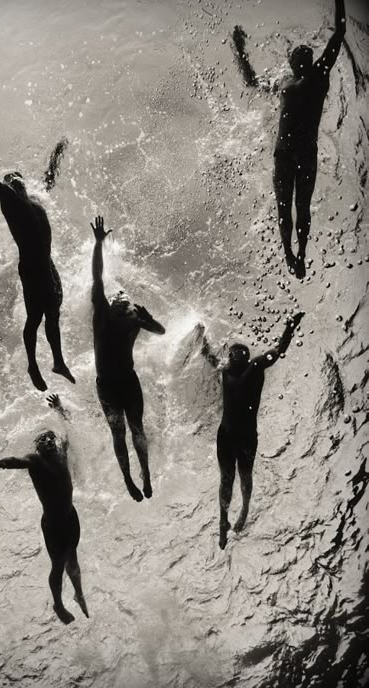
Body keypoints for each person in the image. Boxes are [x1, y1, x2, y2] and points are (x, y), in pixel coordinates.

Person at [0, 118, 74, 391]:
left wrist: (58, 151)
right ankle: (33, 364)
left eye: (17, 178)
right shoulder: (10, 202)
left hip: (47, 265)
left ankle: (57, 361)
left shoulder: (35, 199)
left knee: (54, 312)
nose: (15, 182)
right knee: (35, 318)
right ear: (8, 187)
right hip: (33, 268)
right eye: (10, 181)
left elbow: (49, 177)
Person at [0, 399, 88, 625]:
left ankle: (79, 593)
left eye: (50, 438)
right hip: (53, 526)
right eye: (42, 439)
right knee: (58, 565)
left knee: (72, 557)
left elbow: (69, 429)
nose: (47, 440)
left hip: (70, 518)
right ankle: (58, 603)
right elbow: (16, 461)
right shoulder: (35, 461)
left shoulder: (62, 454)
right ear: (37, 447)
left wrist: (59, 409)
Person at [90, 216, 165, 502]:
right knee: (118, 434)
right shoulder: (102, 313)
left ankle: (145, 473)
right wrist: (98, 243)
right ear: (111, 301)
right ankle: (128, 479)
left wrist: (150, 319)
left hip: (128, 382)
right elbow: (97, 276)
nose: (122, 296)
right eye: (118, 294)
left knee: (137, 429)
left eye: (126, 296)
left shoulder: (135, 320)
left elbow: (161, 331)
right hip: (107, 386)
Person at [217, 312, 305, 549]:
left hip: (246, 437)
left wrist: (290, 326)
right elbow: (208, 357)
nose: (231, 356)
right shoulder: (225, 369)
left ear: (243, 356)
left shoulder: (255, 366)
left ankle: (244, 508)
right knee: (227, 478)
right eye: (231, 353)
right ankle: (223, 520)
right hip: (225, 435)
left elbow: (279, 349)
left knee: (244, 476)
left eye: (235, 353)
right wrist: (200, 336)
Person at [273, 0, 346, 278]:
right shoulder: (283, 84)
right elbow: (252, 82)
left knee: (301, 206)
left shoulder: (319, 75)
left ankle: (301, 253)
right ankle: (289, 254)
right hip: (283, 154)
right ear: (291, 62)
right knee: (283, 206)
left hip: (305, 154)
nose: (302, 55)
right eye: (297, 54)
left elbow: (339, 35)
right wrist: (239, 50)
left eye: (306, 53)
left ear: (310, 59)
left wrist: (339, 2)